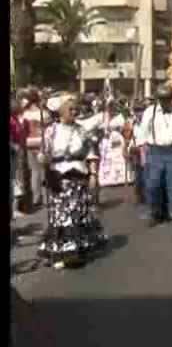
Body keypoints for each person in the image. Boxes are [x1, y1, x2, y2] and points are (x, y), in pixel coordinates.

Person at [37, 96, 108, 268]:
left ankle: (75, 250)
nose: (74, 112)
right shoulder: (50, 131)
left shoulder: (82, 131)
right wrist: (43, 160)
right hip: (58, 177)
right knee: (60, 215)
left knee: (76, 213)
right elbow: (44, 153)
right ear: (61, 111)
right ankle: (59, 250)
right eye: (71, 109)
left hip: (77, 176)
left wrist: (93, 175)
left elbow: (91, 154)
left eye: (76, 109)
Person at [137, 85, 172, 232]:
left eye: (167, 99)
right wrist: (142, 153)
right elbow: (143, 132)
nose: (164, 102)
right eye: (162, 99)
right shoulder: (151, 111)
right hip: (154, 150)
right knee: (152, 185)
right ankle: (155, 213)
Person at [22, 87, 52, 209]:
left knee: (34, 171)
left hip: (28, 143)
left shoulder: (24, 113)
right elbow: (49, 128)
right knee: (44, 170)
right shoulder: (43, 113)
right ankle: (46, 198)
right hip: (41, 143)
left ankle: (36, 197)